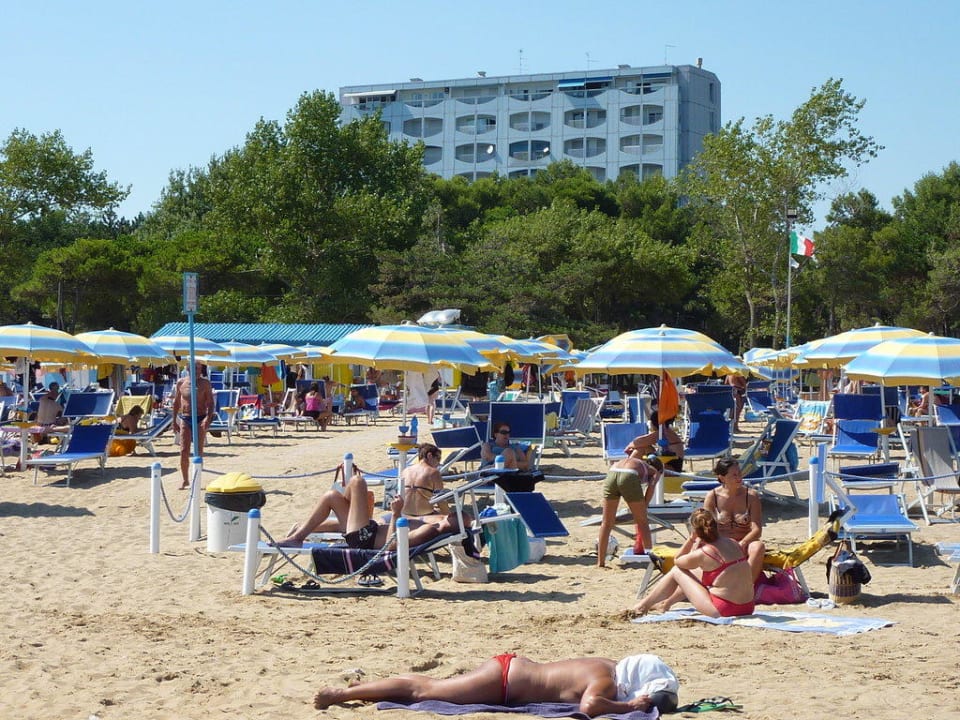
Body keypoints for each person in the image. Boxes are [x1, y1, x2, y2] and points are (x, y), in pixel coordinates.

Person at [313, 652, 679, 715]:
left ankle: (351, 691)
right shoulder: (606, 682)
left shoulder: (609, 666)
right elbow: (590, 707)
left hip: (509, 672)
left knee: (429, 684)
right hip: (503, 681)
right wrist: (629, 707)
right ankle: (341, 694)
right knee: (422, 690)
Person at [273, 466, 457, 548]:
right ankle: (298, 535)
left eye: (454, 517)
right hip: (367, 531)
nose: (450, 515)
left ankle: (298, 536)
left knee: (358, 481)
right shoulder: (436, 519)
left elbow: (394, 544)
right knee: (332, 495)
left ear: (452, 524)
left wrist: (396, 513)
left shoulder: (432, 529)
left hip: (364, 539)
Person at [631, 508, 755, 618]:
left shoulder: (704, 553)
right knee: (695, 573)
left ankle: (642, 606)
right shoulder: (733, 542)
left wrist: (691, 539)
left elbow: (678, 561)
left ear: (696, 531)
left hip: (724, 609)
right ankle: (666, 604)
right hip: (748, 607)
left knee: (677, 571)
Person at [703, 456, 765, 581]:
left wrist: (743, 542)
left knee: (758, 547)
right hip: (721, 542)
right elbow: (706, 527)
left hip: (744, 542)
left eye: (740, 473)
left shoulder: (751, 496)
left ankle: (747, 585)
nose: (739, 478)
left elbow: (757, 529)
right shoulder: (713, 496)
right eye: (734, 475)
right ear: (722, 477)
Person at [597, 452, 663, 566]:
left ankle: (600, 562)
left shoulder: (637, 462)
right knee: (642, 521)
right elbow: (649, 492)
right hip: (629, 476)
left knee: (606, 523)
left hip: (612, 473)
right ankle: (650, 560)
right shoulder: (654, 471)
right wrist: (644, 506)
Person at [171, 365, 215, 490]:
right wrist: (174, 420)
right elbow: (176, 403)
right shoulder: (181, 382)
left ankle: (197, 479)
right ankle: (185, 480)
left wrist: (208, 418)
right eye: (194, 369)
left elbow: (211, 403)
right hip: (185, 418)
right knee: (184, 450)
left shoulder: (205, 383)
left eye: (199, 369)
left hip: (200, 417)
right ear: (188, 369)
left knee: (198, 451)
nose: (197, 371)